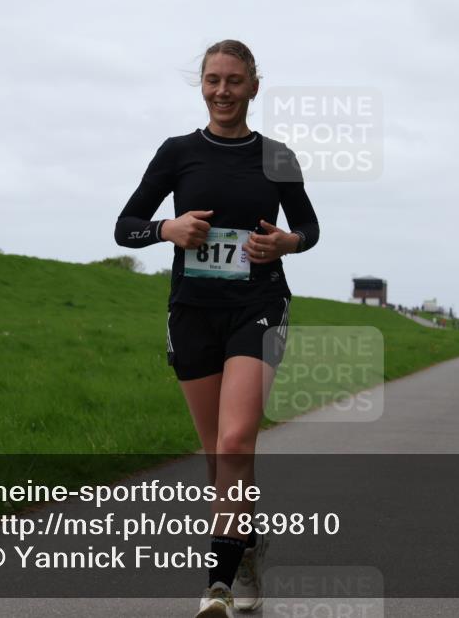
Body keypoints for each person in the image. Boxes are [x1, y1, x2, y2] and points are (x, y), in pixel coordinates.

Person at [114, 40, 319, 618]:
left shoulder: (277, 156)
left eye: (234, 80)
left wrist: (286, 242)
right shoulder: (178, 152)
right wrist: (167, 229)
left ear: (254, 86)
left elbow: (308, 227)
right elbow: (125, 225)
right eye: (213, 80)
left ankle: (218, 586)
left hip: (259, 305)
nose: (223, 91)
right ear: (201, 85)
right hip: (193, 312)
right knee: (218, 456)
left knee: (234, 443)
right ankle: (246, 549)